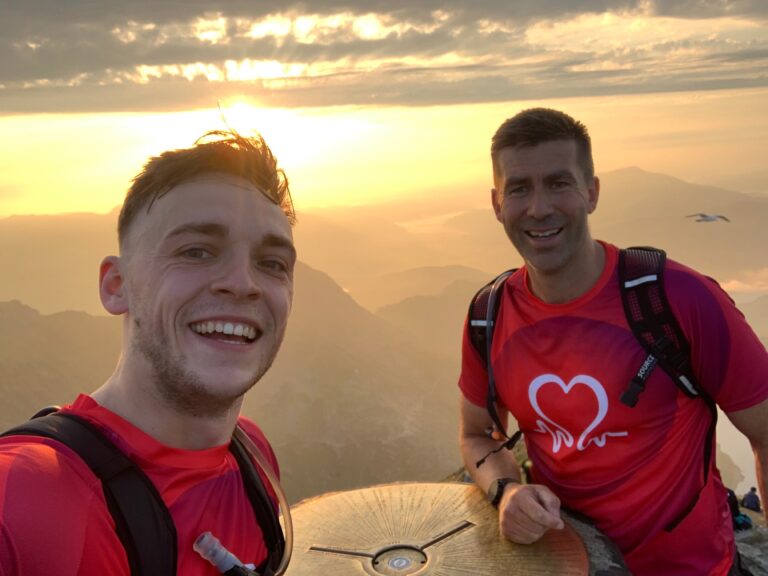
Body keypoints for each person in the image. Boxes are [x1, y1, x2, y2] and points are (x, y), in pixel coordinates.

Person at [457, 108, 768, 576]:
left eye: (559, 183)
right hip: (570, 565)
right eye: (520, 188)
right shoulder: (489, 315)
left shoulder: (678, 299)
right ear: (498, 203)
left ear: (592, 192)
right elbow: (477, 431)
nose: (539, 208)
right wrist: (508, 490)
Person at [0, 129, 297, 574]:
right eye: (197, 251)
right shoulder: (28, 496)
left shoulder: (252, 454)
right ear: (116, 286)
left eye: (272, 263)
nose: (243, 282)